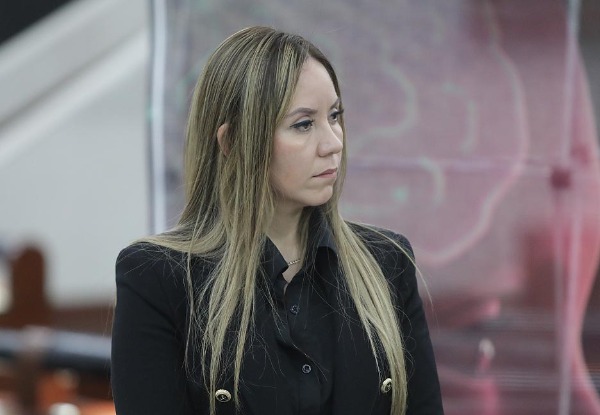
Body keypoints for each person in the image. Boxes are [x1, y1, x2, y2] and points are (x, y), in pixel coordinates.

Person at [111, 26, 444, 415]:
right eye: (303, 124)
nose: (333, 142)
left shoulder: (386, 263)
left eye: (334, 116)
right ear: (232, 142)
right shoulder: (158, 278)